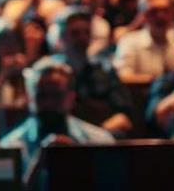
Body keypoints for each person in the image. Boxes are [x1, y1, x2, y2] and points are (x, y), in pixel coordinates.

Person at [0, 58, 114, 189]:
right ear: (30, 99)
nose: (49, 104)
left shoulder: (100, 141)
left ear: (71, 98)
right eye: (41, 96)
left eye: (57, 95)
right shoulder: (11, 147)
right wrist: (40, 161)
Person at [50, 8, 133, 136]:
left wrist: (99, 132)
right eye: (75, 33)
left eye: (86, 33)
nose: (82, 38)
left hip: (101, 139)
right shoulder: (51, 74)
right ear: (61, 38)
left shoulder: (105, 70)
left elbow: (123, 112)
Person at [114, 0, 174, 82]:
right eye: (153, 12)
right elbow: (123, 77)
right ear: (143, 16)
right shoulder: (130, 42)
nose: (161, 17)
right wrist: (159, 81)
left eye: (165, 10)